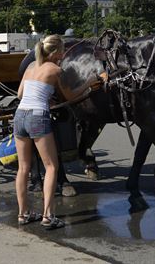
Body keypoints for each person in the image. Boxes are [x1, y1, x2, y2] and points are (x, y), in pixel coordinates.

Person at [14, 34, 105, 229]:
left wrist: (43, 95)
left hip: (20, 115)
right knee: (51, 167)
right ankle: (48, 216)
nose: (64, 54)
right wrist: (90, 83)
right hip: (37, 117)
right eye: (63, 50)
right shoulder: (56, 70)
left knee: (23, 168)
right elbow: (70, 96)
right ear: (55, 52)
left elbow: (20, 94)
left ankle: (23, 214)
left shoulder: (30, 67)